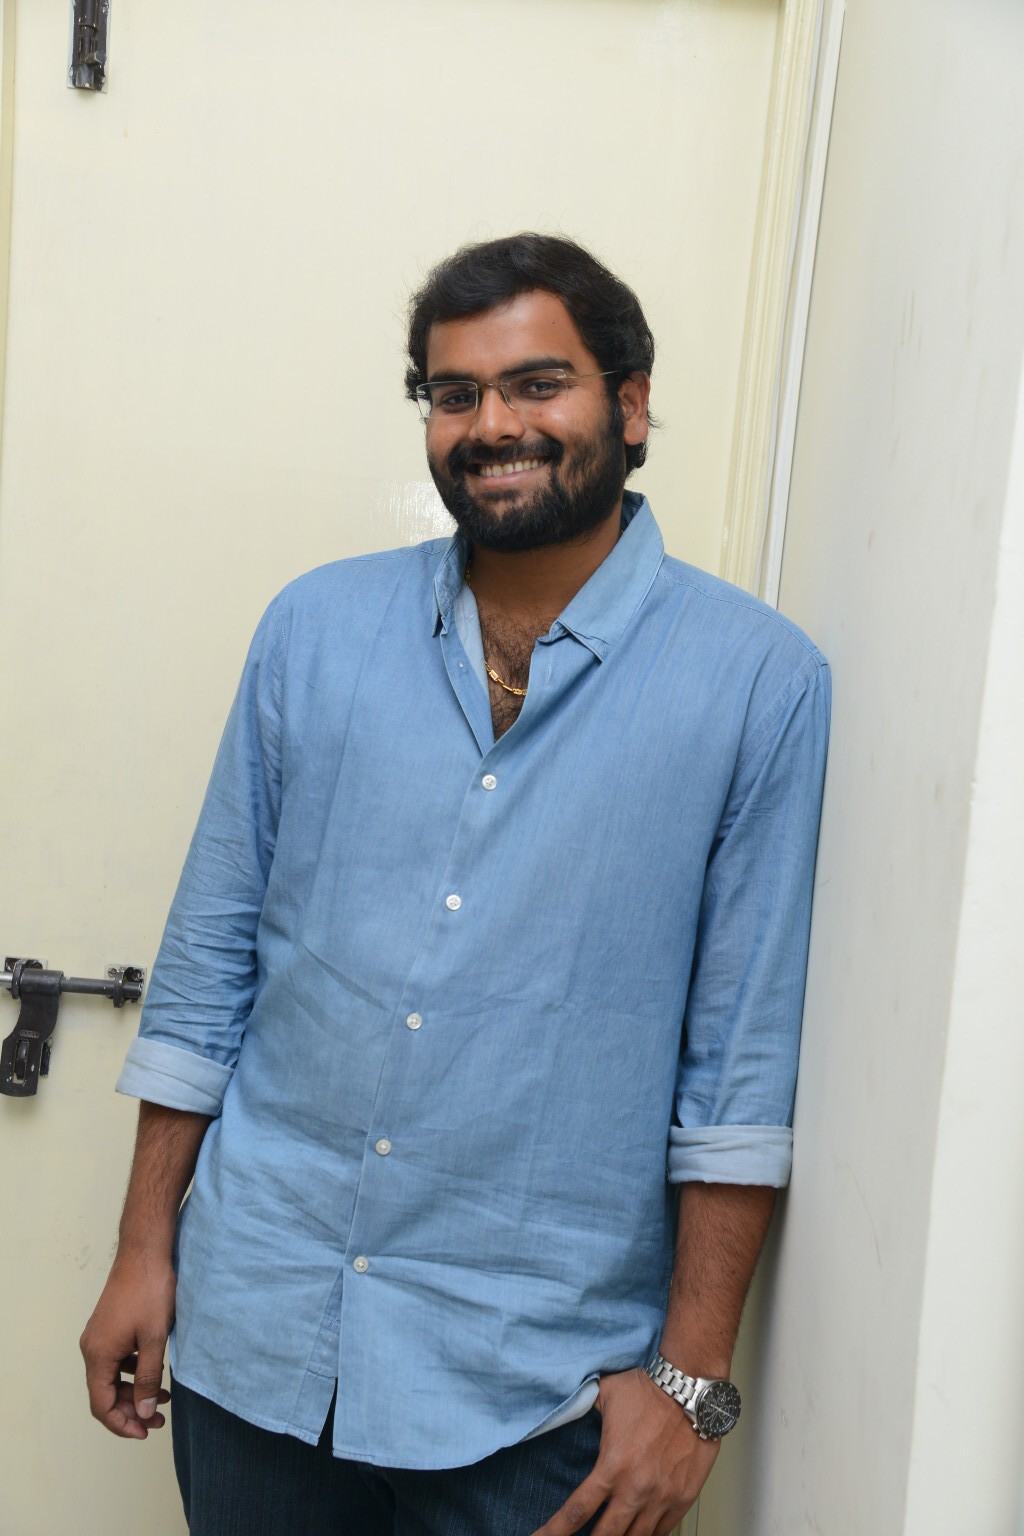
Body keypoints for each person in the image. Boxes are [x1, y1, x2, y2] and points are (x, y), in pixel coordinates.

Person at [81, 233, 830, 1536]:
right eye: (454, 393)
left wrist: (692, 1384)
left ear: (632, 404)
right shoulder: (313, 631)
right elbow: (208, 970)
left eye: (539, 384)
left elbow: (739, 1069)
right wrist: (145, 1250)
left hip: (539, 1400)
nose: (492, 426)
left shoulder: (759, 682)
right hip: (259, 1344)